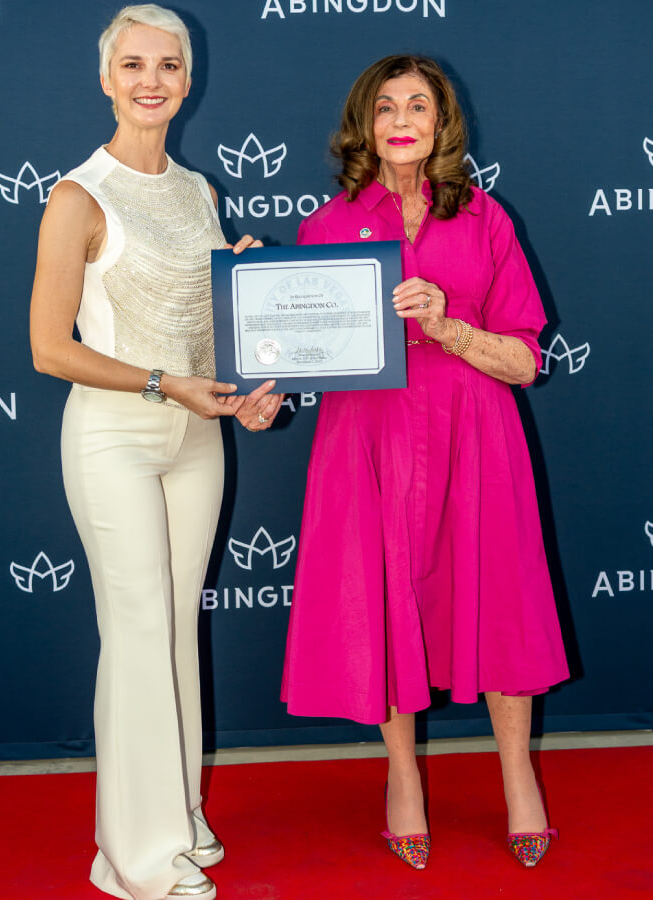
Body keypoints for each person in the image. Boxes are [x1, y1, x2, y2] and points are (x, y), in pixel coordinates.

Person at [281, 54, 569, 870]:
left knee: (503, 599)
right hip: (365, 439)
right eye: (384, 106)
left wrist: (449, 327)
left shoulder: (484, 217)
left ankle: (519, 775)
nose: (401, 119)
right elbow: (298, 354)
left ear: (442, 124)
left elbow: (525, 363)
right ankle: (401, 774)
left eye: (418, 105)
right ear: (363, 125)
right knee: (381, 602)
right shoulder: (326, 224)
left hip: (476, 430)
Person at [30, 6, 282, 899]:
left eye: (167, 66)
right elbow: (49, 349)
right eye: (132, 64)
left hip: (196, 437)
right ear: (106, 78)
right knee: (137, 635)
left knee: (173, 632)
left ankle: (174, 818)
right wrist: (162, 385)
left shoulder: (199, 190)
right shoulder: (78, 196)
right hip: (116, 438)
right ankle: (135, 860)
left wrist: (247, 365)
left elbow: (202, 335)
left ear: (188, 78)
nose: (151, 80)